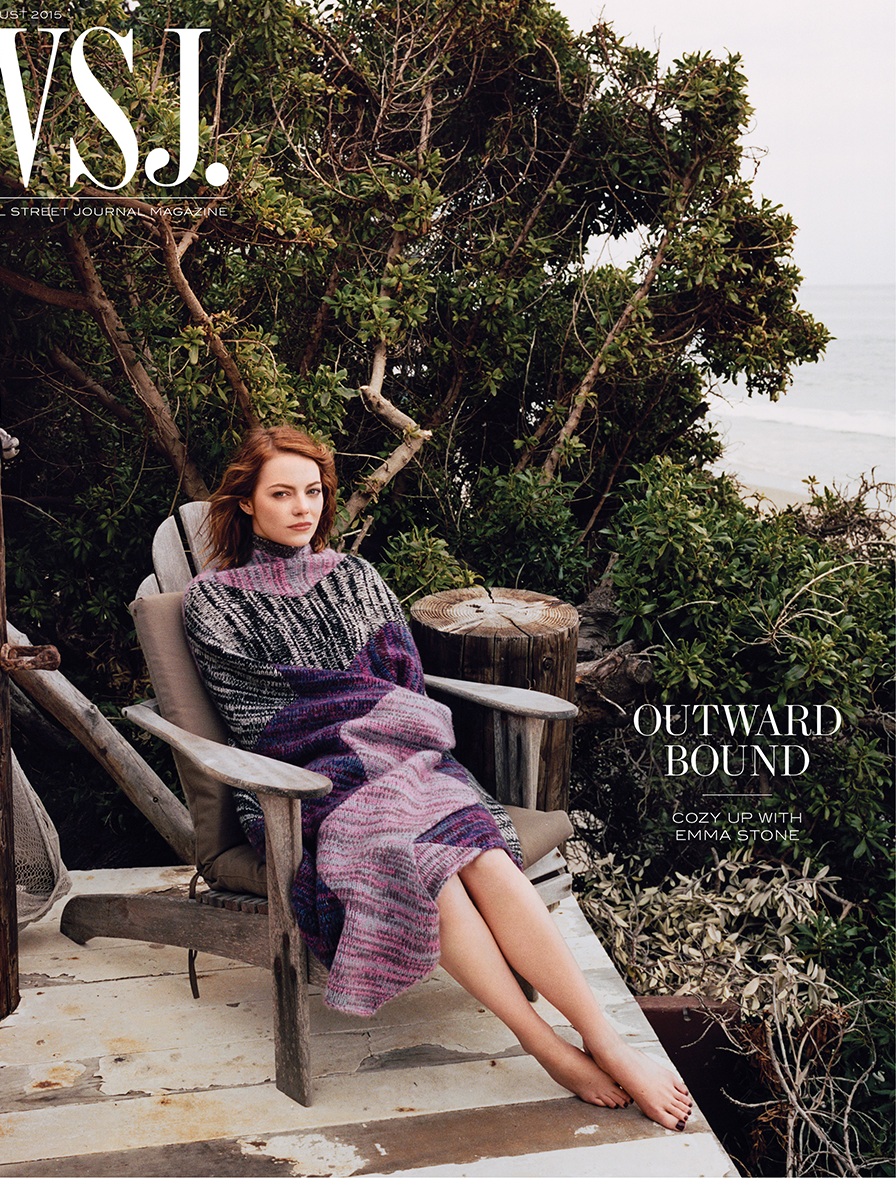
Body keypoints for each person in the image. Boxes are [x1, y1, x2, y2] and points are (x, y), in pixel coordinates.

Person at [183, 425, 692, 1130]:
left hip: (403, 755)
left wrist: (388, 727)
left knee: (477, 846)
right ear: (246, 503)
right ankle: (542, 1044)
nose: (302, 507)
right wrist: (358, 723)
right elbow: (260, 712)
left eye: (313, 492)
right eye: (281, 494)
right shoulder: (213, 601)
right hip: (301, 779)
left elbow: (405, 680)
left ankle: (605, 1038)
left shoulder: (357, 577)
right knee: (423, 861)